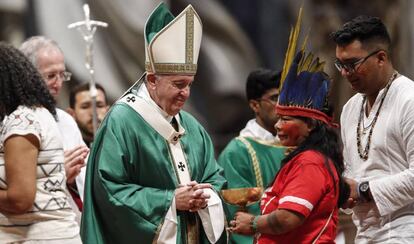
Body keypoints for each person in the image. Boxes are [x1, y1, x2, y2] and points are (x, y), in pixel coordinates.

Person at [81, 3, 226, 244]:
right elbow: (108, 191)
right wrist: (170, 201)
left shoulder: (192, 125)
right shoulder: (122, 121)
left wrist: (207, 195)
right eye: (178, 84)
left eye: (190, 84)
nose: (186, 93)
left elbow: (216, 176)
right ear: (152, 80)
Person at [229, 47, 350, 243]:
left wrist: (252, 223)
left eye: (285, 119)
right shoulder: (307, 159)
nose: (277, 125)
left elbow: (287, 218)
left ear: (310, 125)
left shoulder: (310, 162)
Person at [331, 16, 414, 242]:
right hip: (364, 233)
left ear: (380, 58)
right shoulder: (350, 108)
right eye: (341, 64)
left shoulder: (409, 100)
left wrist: (364, 189)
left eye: (352, 64)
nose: (345, 73)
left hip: (406, 231)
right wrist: (343, 190)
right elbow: (353, 173)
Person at [0, 42, 81, 243]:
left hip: (40, 237)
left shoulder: (22, 122)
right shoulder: (35, 114)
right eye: (51, 75)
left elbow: (20, 199)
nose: (58, 82)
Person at [20, 36, 89, 219]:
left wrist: (74, 178)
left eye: (62, 75)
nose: (58, 83)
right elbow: (14, 186)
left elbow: (85, 178)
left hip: (71, 221)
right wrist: (58, 174)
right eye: (51, 75)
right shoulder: (14, 122)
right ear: (28, 75)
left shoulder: (66, 120)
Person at [218, 69, 286, 244]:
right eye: (274, 98)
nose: (282, 104)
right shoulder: (238, 153)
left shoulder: (296, 143)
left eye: (285, 96)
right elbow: (238, 217)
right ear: (255, 105)